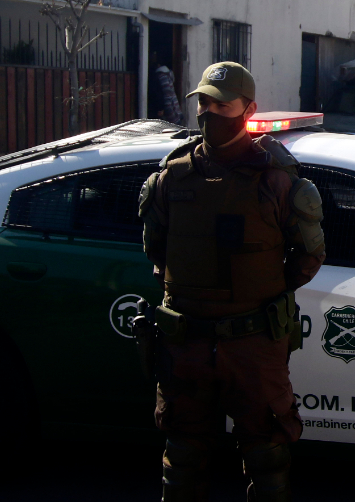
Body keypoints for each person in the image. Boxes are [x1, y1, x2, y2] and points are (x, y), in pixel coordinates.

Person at [138, 61, 326, 502]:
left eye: (223, 104)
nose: (210, 112)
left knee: (267, 455)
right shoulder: (171, 178)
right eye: (204, 102)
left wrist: (258, 294)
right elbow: (156, 251)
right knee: (182, 456)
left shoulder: (278, 182)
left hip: (254, 343)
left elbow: (309, 256)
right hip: (186, 343)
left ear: (248, 109)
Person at [149, 52, 183, 125]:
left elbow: (167, 95)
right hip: (175, 109)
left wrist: (163, 110)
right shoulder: (167, 75)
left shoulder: (162, 76)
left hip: (171, 110)